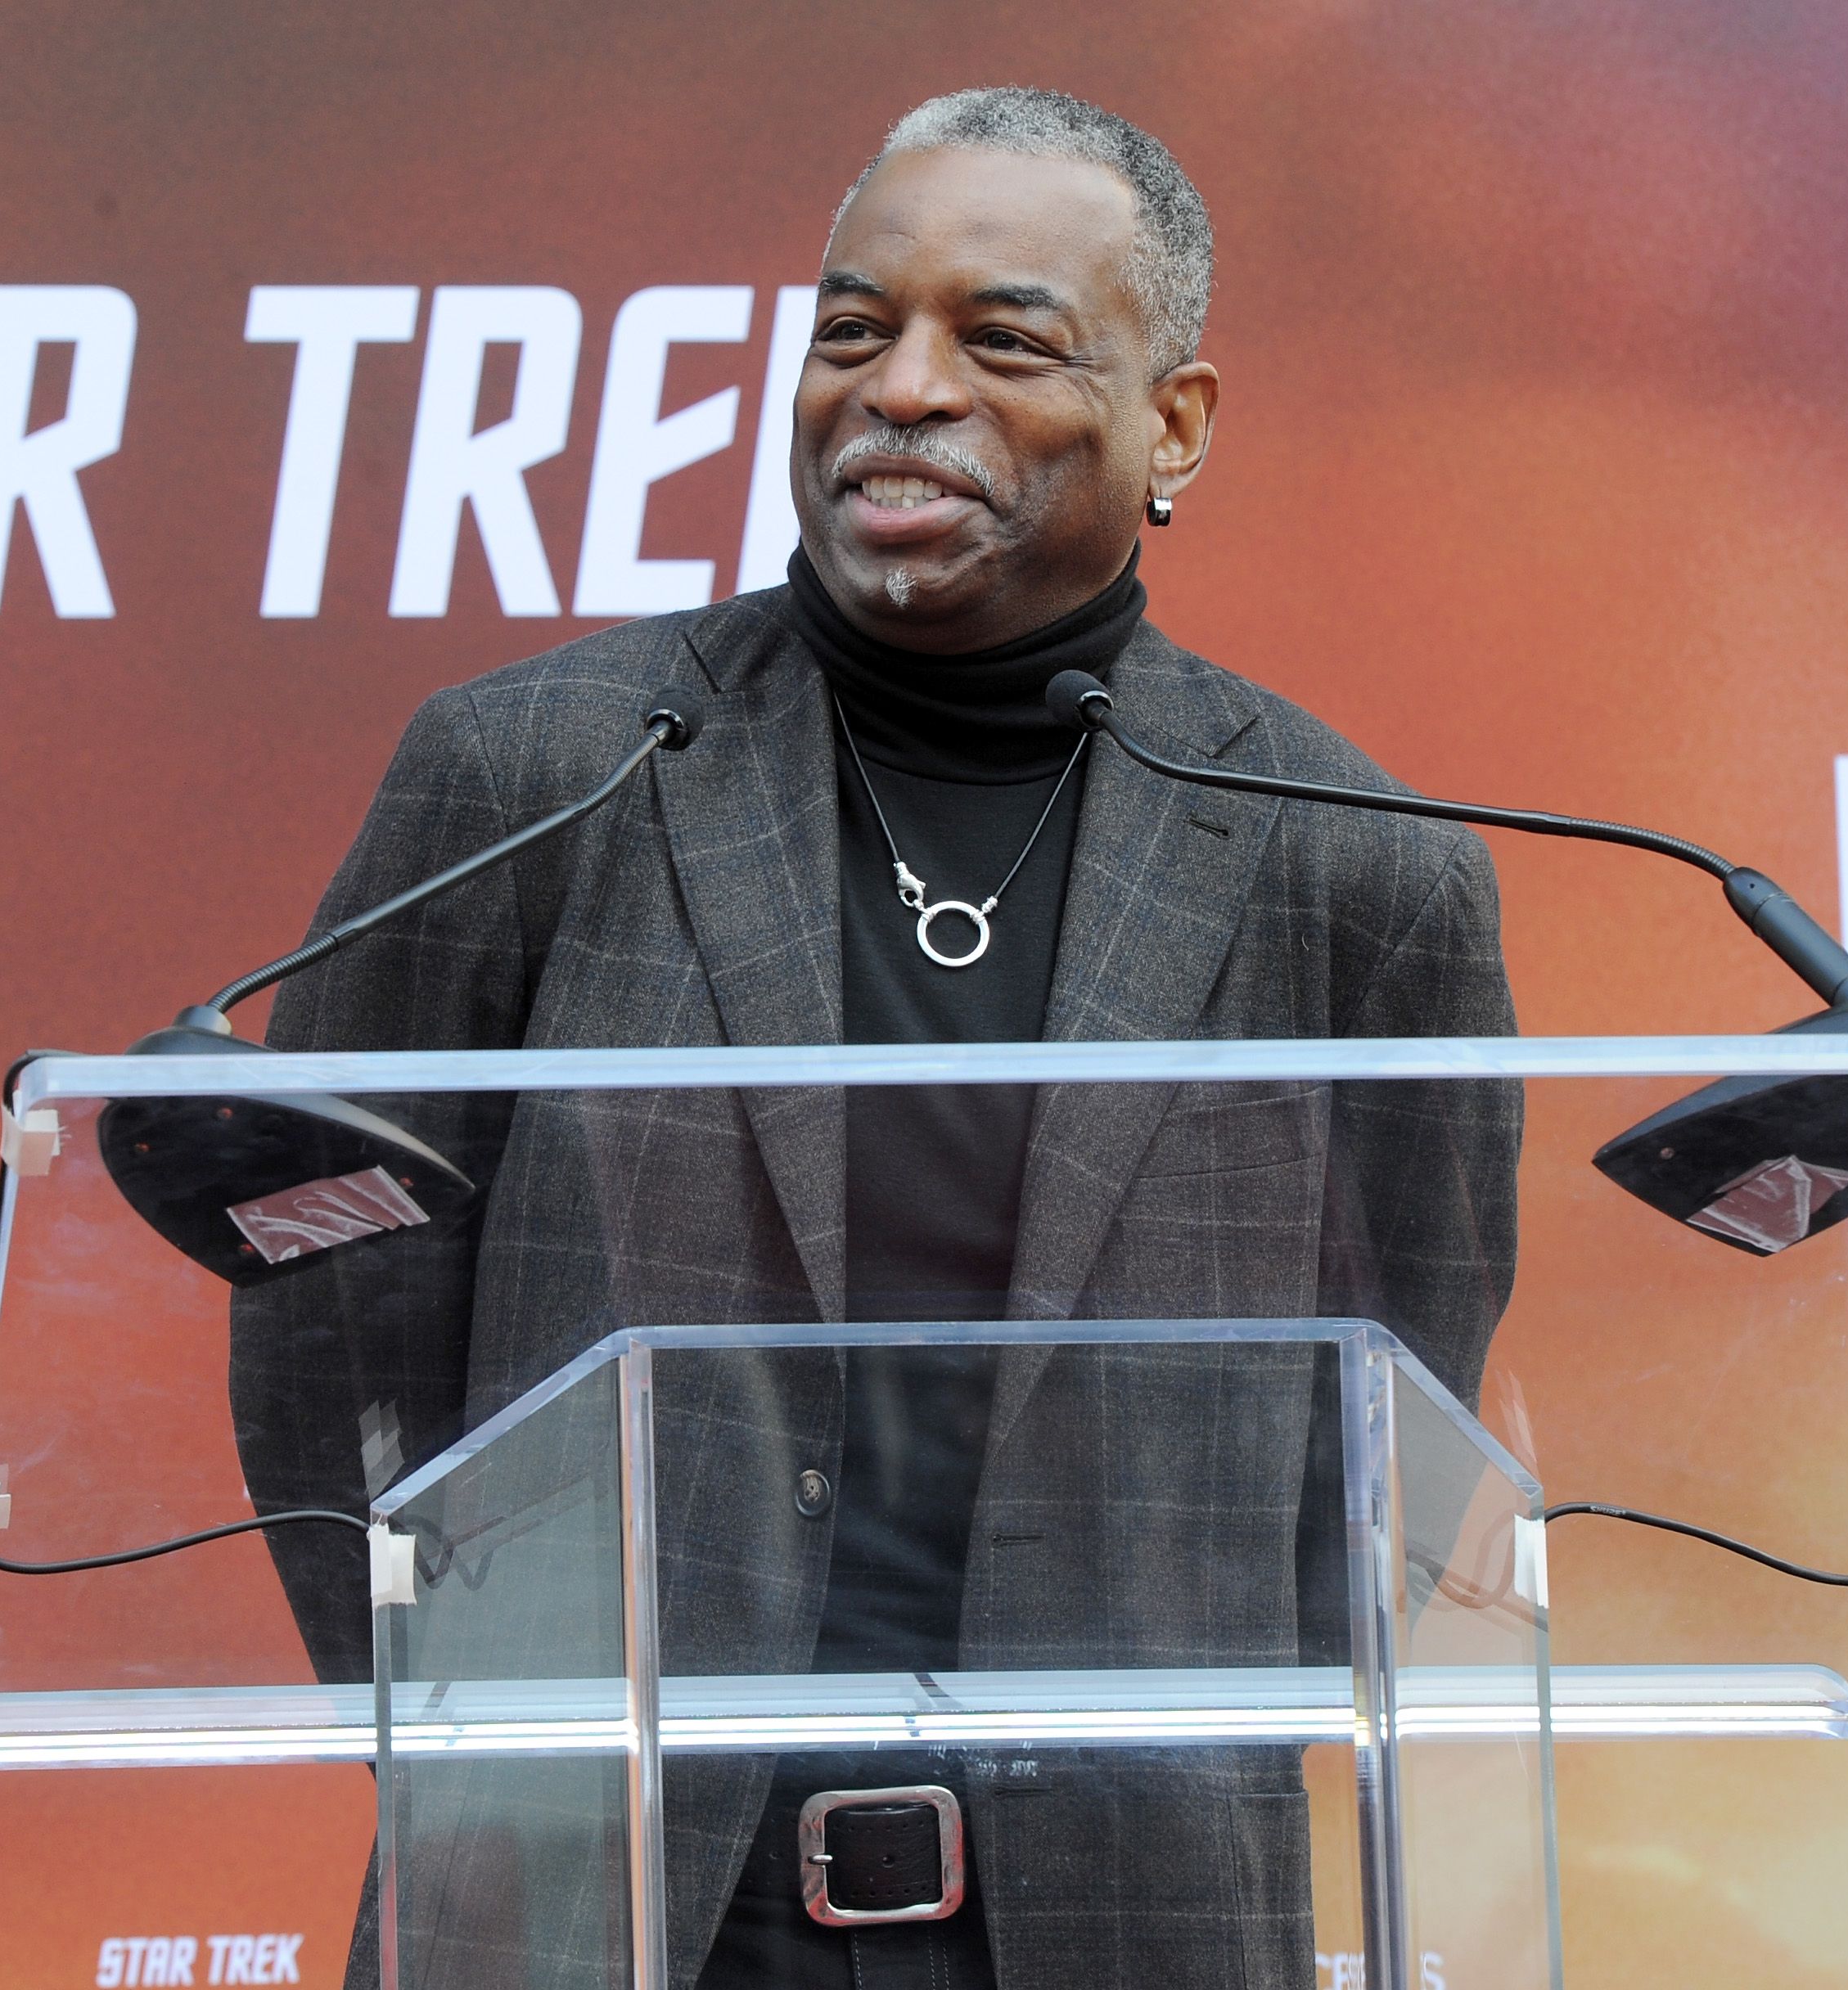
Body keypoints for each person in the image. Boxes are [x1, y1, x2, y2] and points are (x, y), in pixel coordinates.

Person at [232, 86, 1520, 1990]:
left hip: (1132, 1915)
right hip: (597, 1901)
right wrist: (490, 1757)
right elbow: (328, 1331)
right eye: (853, 330)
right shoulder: (535, 774)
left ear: (1175, 423)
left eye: (1001, 338)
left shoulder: (1357, 871)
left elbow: (1395, 1428)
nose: (901, 387)